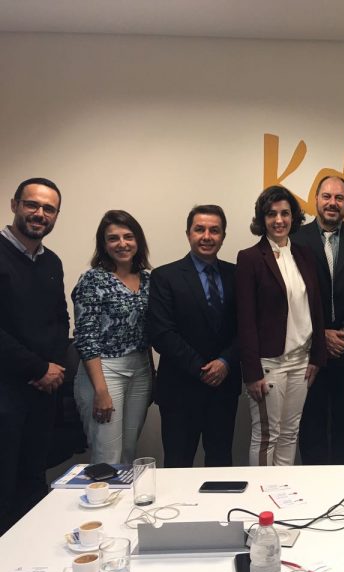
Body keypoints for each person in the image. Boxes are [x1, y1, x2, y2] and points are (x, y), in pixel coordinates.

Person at [236, 185, 326, 466]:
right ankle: (262, 492)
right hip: (269, 364)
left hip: (301, 361)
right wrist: (251, 373)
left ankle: (282, 488)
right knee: (267, 435)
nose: (279, 220)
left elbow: (316, 308)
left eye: (285, 213)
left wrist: (317, 357)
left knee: (290, 433)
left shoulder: (304, 255)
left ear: (293, 217)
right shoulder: (250, 258)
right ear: (262, 219)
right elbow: (245, 320)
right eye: (271, 214)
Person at [0, 177, 69, 535]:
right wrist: (38, 367)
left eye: (49, 209)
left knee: (32, 480)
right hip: (6, 391)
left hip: (43, 391)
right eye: (32, 204)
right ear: (15, 205)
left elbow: (60, 319)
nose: (40, 213)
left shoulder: (51, 262)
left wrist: (53, 368)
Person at [148, 205, 241, 467]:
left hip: (224, 387)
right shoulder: (164, 276)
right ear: (188, 233)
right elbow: (162, 333)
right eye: (200, 229)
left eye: (214, 230)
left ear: (223, 236)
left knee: (221, 463)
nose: (207, 236)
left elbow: (246, 327)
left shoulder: (237, 275)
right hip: (180, 389)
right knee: (178, 464)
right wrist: (202, 369)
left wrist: (225, 362)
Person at [292, 175, 344, 465]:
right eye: (326, 196)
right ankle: (312, 485)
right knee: (310, 425)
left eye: (339, 198)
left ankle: (342, 484)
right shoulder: (295, 239)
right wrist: (320, 334)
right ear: (316, 199)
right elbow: (292, 298)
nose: (332, 203)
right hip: (308, 351)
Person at [72, 210, 153, 465]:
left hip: (140, 370)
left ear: (138, 240)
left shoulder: (148, 279)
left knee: (128, 452)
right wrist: (101, 391)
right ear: (104, 244)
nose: (122, 244)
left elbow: (149, 330)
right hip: (104, 371)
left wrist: (152, 372)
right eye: (113, 238)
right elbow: (86, 336)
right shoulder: (93, 279)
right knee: (107, 457)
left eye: (128, 236)